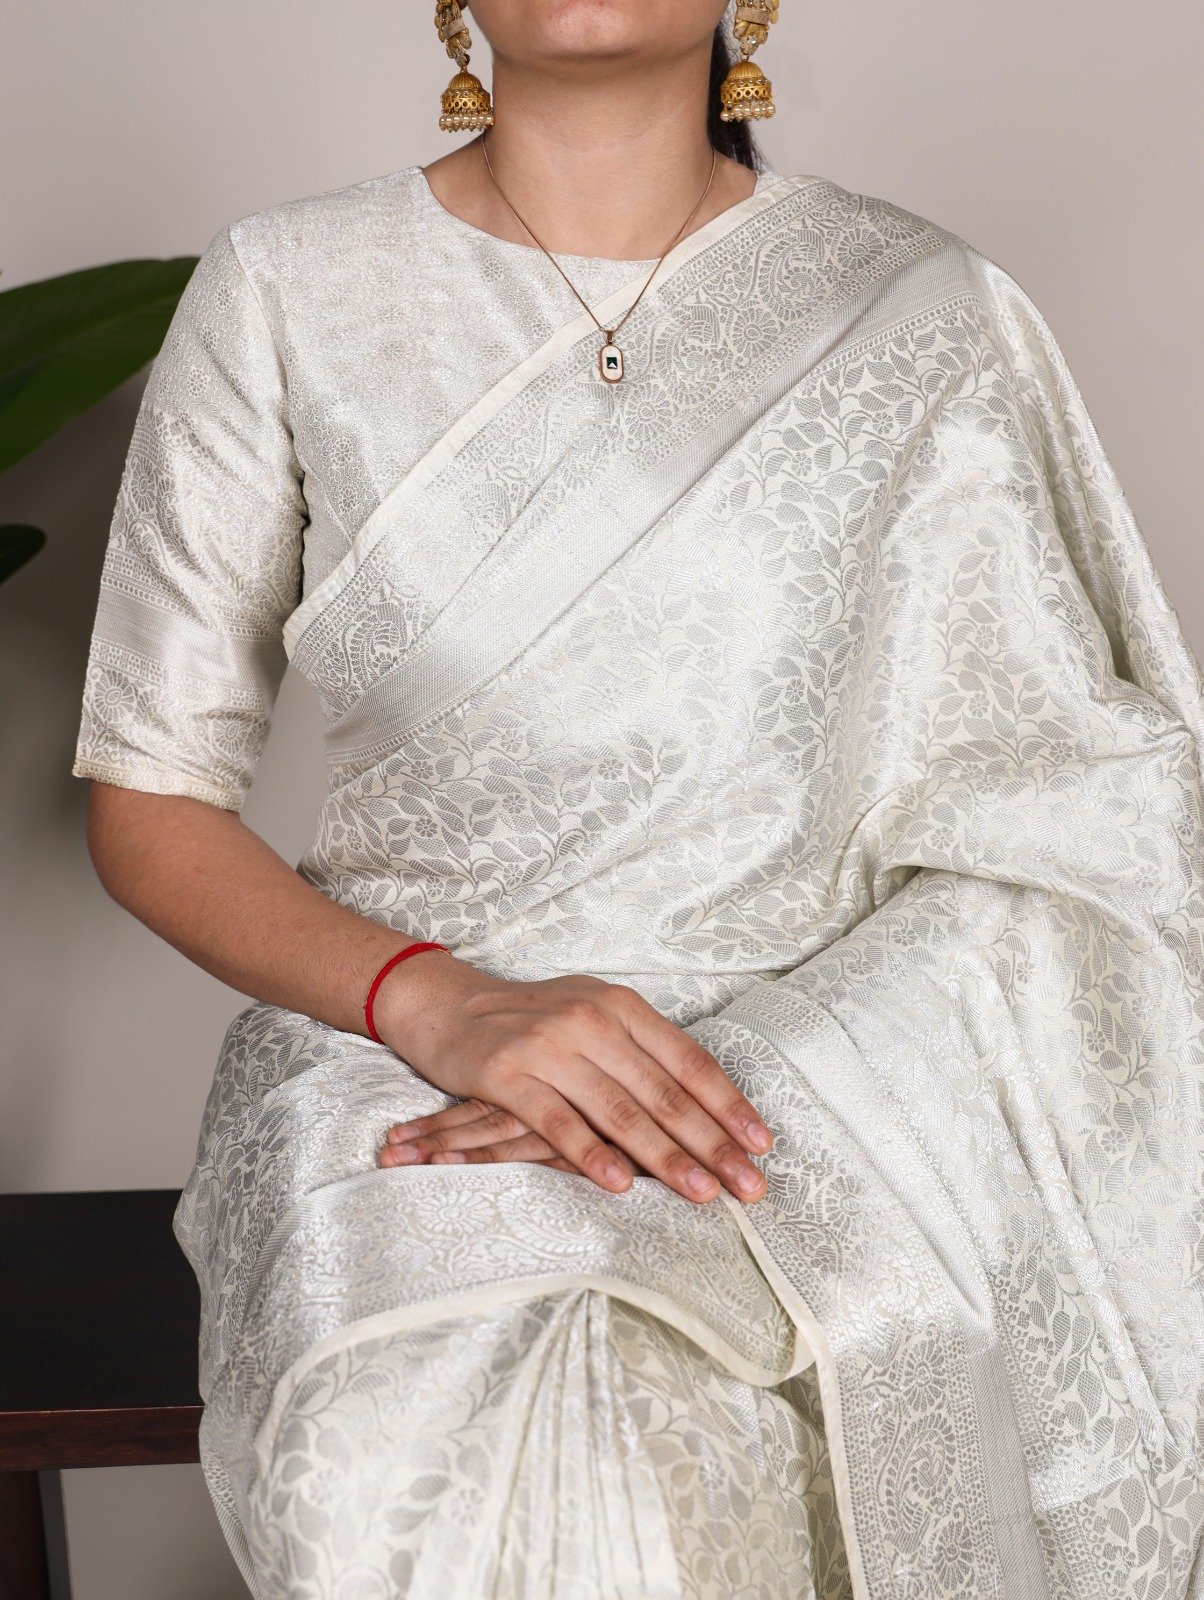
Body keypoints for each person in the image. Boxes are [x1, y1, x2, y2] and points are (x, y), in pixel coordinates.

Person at [71, 1, 1204, 1596]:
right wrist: (445, 1008)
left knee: (735, 1428)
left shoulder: (918, 312)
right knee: (432, 1440)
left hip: (823, 1083)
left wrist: (762, 1073)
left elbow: (1072, 827)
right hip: (402, 1067)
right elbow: (151, 797)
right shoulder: (287, 286)